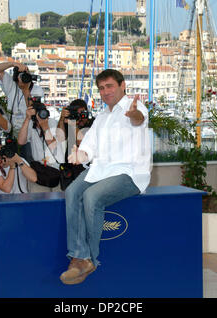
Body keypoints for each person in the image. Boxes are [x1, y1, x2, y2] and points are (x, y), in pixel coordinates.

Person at [59, 69, 151, 285]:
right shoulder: (101, 117)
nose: (105, 91)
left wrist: (135, 115)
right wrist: (81, 154)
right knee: (72, 191)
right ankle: (79, 256)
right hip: (101, 170)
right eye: (101, 88)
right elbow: (89, 146)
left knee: (92, 197)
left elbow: (139, 120)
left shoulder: (135, 108)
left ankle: (88, 259)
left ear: (122, 85)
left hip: (130, 173)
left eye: (109, 86)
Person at [17, 87, 65, 193]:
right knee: (39, 200)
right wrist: (27, 118)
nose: (41, 117)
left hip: (56, 169)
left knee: (57, 202)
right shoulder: (30, 124)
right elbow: (21, 141)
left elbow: (54, 148)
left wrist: (45, 126)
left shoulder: (52, 123)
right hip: (40, 170)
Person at [57, 99, 95, 190]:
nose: (81, 117)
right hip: (71, 169)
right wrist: (62, 119)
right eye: (77, 113)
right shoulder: (70, 121)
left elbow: (81, 141)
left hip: (87, 168)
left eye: (82, 113)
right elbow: (60, 137)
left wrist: (72, 124)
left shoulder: (93, 123)